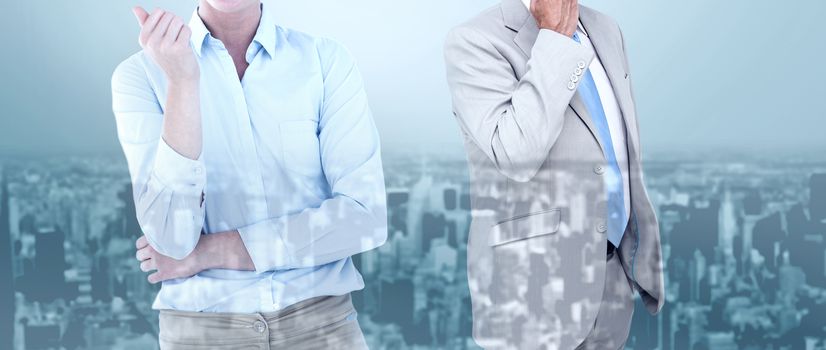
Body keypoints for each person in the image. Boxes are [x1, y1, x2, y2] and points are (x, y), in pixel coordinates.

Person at [110, 1, 387, 349]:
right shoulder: (140, 75)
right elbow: (172, 240)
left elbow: (365, 219)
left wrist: (209, 253)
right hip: (202, 333)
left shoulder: (324, 61)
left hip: (322, 327)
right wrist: (182, 81)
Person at [443, 0, 664, 348]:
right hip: (530, 297)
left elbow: (615, 149)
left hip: (611, 283)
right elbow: (517, 155)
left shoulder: (605, 29)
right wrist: (554, 38)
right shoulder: (475, 40)